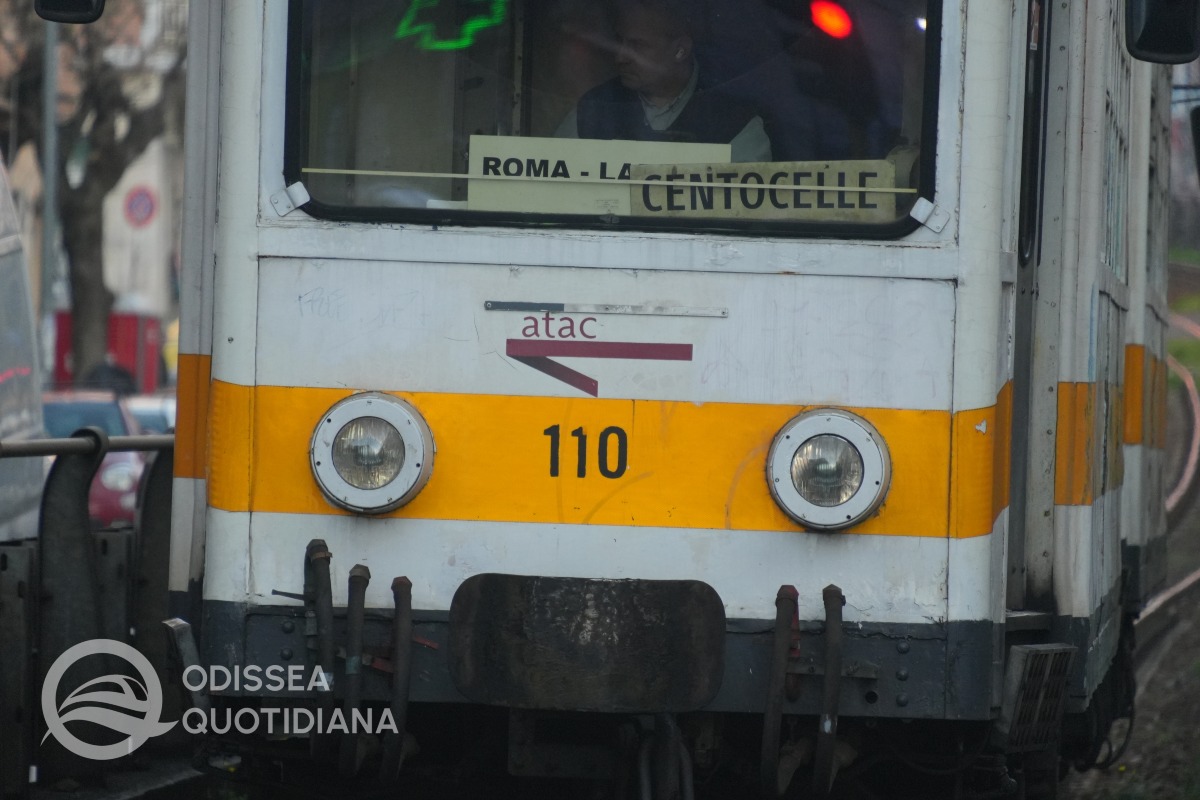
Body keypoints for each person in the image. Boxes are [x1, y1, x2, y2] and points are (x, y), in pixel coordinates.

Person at [556, 0, 772, 163]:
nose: (620, 57)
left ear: (680, 50)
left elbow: (746, 215)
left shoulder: (736, 122)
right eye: (620, 42)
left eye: (637, 46)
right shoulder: (592, 111)